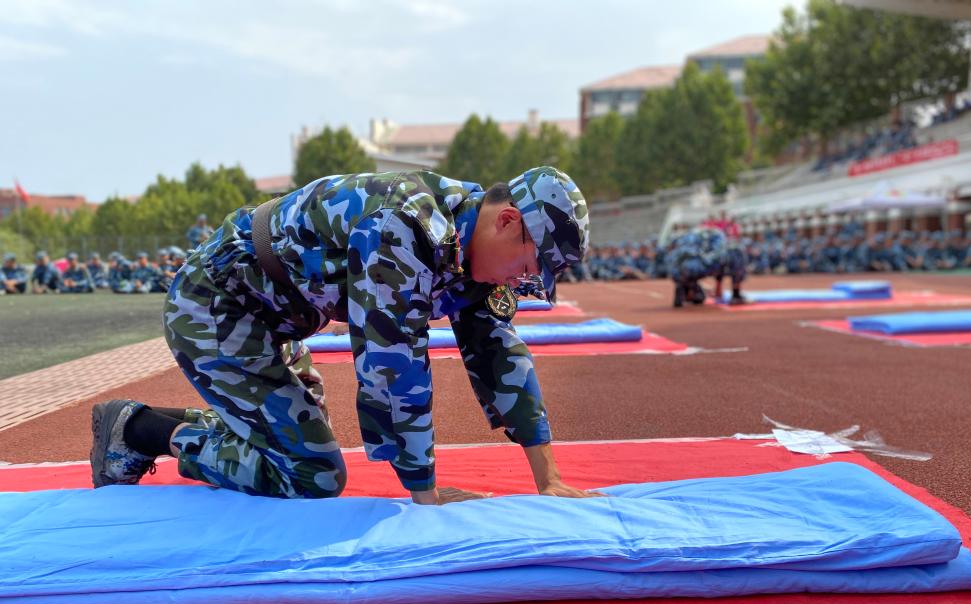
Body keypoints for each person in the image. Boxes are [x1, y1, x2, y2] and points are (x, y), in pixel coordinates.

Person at [90, 167, 601, 505]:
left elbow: (499, 353)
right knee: (311, 474)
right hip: (216, 307)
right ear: (507, 221)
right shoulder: (406, 225)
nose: (519, 282)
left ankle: (204, 425)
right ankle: (138, 432)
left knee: (293, 440)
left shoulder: (472, 244)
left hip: (277, 318)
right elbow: (393, 365)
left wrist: (549, 479)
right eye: (526, 267)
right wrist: (425, 494)